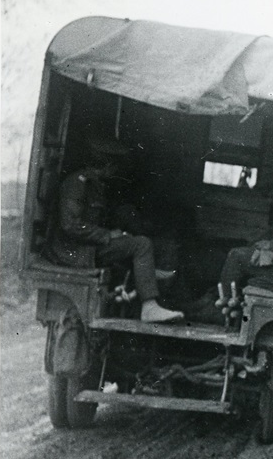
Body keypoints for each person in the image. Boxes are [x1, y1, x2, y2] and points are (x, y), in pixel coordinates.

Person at [46, 135, 183, 323]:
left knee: (134, 243)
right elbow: (70, 225)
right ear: (107, 165)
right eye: (114, 166)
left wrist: (118, 233)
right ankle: (149, 307)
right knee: (141, 245)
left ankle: (146, 276)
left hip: (86, 248)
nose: (115, 170)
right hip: (74, 252)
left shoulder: (95, 186)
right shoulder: (77, 184)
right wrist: (108, 235)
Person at [189, 159, 273, 319]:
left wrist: (270, 245)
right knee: (238, 249)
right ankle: (215, 298)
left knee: (236, 256)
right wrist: (257, 241)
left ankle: (220, 308)